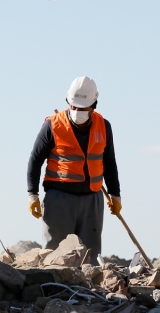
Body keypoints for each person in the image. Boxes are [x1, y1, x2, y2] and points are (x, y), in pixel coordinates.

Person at [26, 76, 121, 264]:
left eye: (83, 108)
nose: (78, 112)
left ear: (94, 104)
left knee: (90, 258)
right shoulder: (53, 125)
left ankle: (87, 291)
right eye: (74, 107)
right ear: (68, 102)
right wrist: (32, 194)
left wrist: (115, 194)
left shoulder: (104, 126)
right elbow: (35, 160)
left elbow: (109, 162)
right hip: (59, 199)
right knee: (55, 256)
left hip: (92, 200)